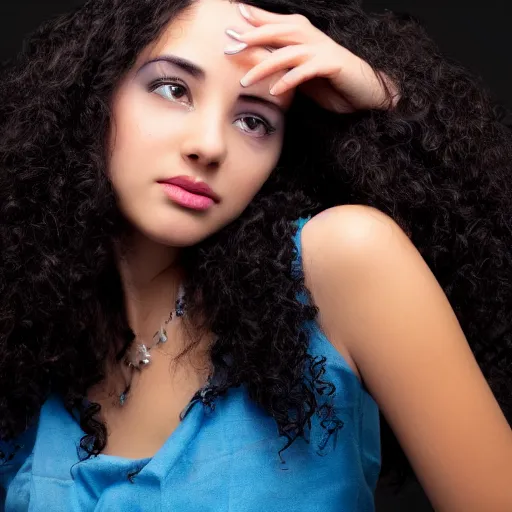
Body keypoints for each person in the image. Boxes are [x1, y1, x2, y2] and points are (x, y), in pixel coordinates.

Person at [1, 0, 511, 510]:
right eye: (173, 89)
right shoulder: (32, 331)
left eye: (253, 120)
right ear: (93, 94)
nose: (209, 146)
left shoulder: (339, 264)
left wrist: (388, 97)